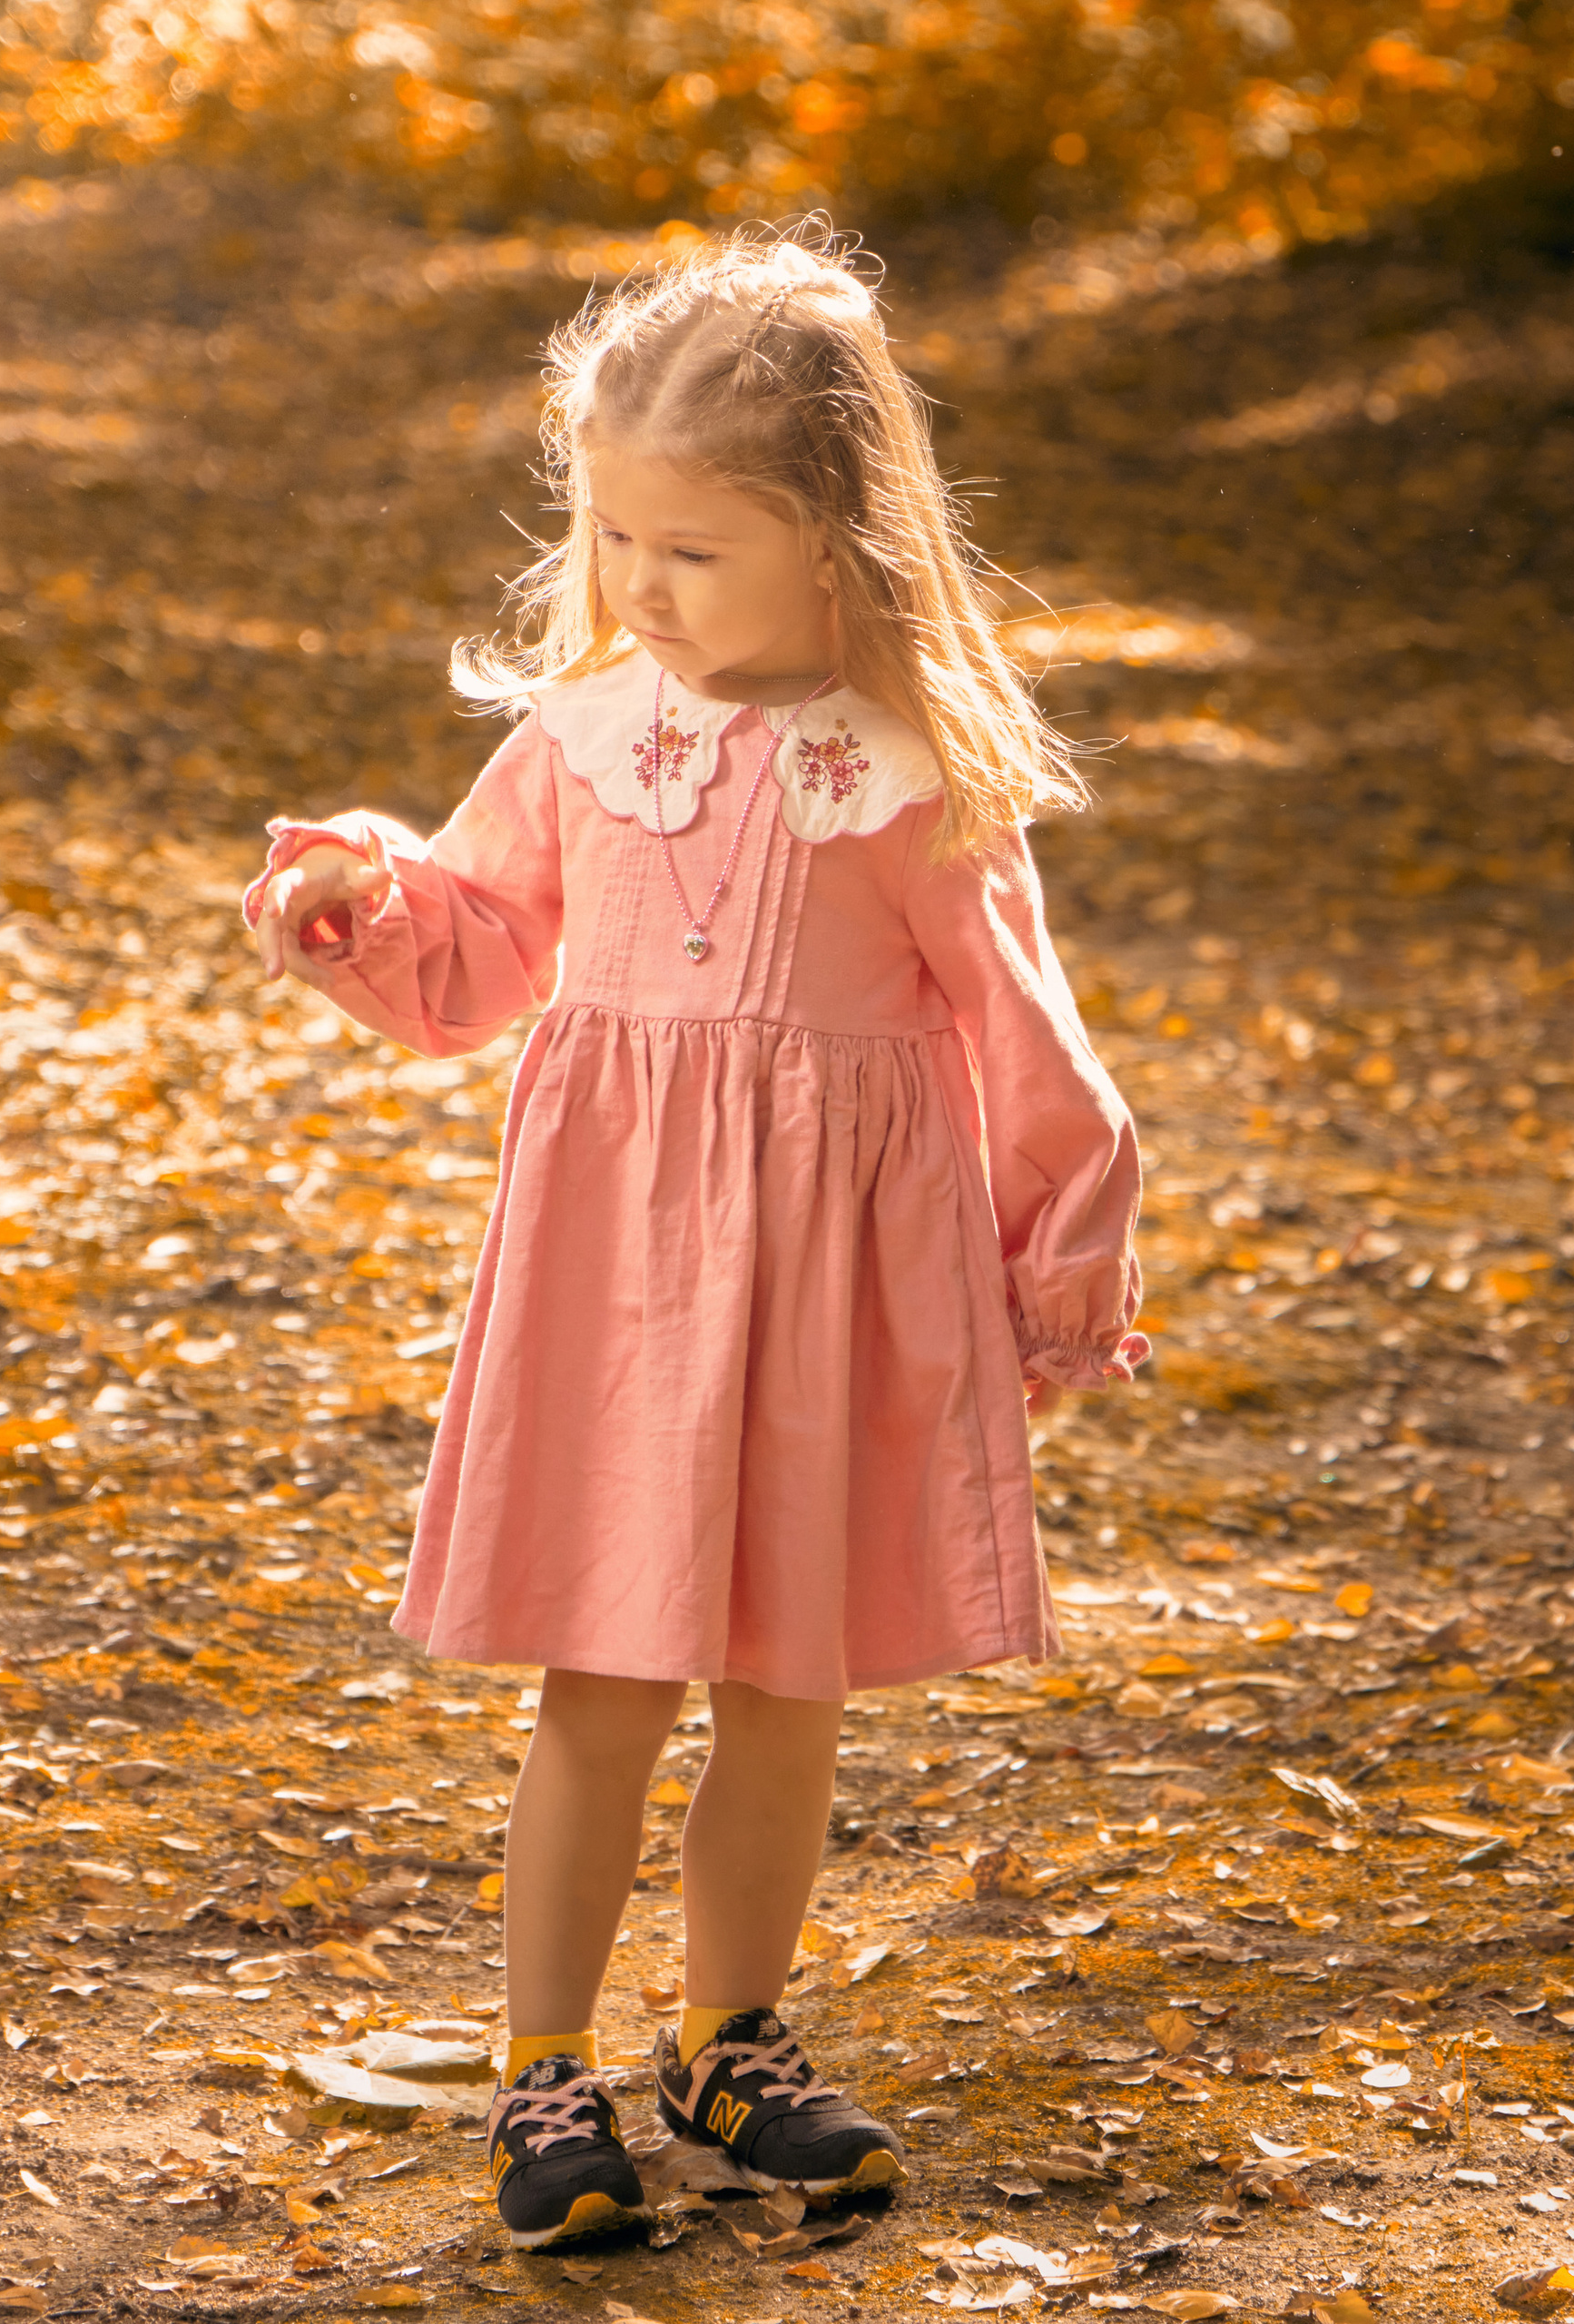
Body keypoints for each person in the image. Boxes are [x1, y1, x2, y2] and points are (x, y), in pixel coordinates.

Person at [242, 224, 1147, 2250]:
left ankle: (731, 2039)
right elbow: (480, 946)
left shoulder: (906, 780)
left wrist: (1054, 1267)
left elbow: (1028, 1045)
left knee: (785, 1680)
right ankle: (543, 2065)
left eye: (693, 549)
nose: (641, 585)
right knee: (607, 1673)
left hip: (828, 1290)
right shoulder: (583, 736)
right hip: (625, 1280)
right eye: (617, 538)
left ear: (836, 545)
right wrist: (364, 900)